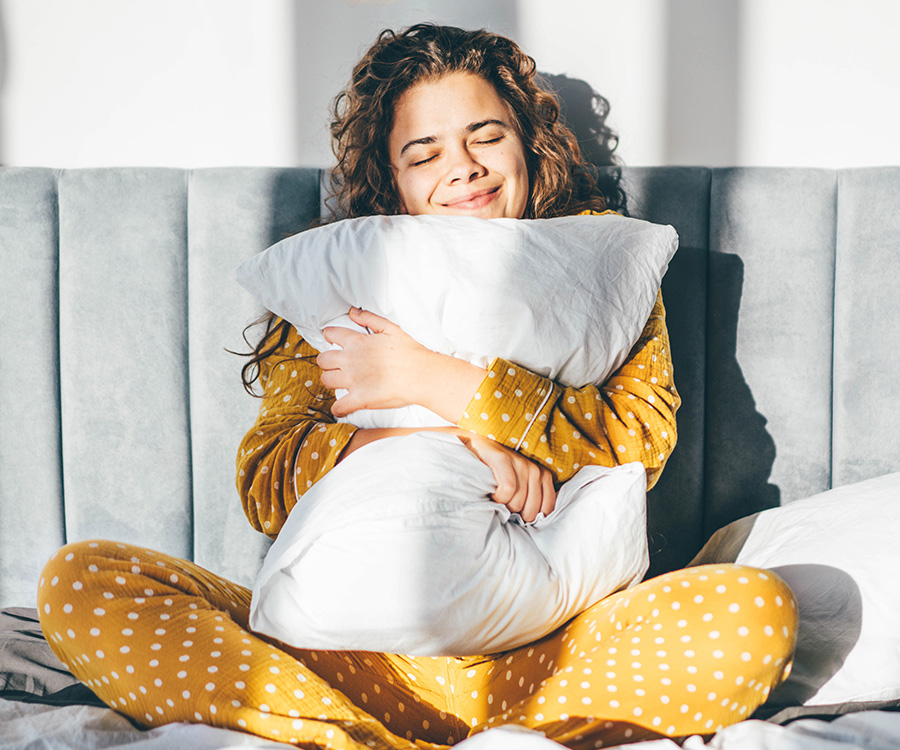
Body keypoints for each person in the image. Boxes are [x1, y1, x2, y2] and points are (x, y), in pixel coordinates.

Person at [38, 24, 798, 750]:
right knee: (81, 581)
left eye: (485, 136)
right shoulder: (342, 279)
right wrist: (441, 444)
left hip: (550, 654)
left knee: (753, 614)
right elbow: (269, 478)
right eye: (424, 152)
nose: (461, 167)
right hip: (340, 659)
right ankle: (362, 736)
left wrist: (433, 380)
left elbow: (639, 438)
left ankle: (455, 726)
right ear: (391, 178)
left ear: (529, 146)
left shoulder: (603, 267)